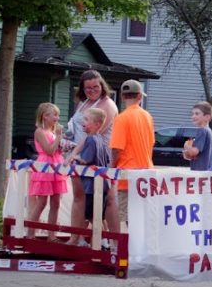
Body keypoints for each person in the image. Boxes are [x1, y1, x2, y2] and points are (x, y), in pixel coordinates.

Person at [65, 71, 119, 236]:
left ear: (102, 85)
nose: (92, 90)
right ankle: (78, 238)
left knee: (104, 201)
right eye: (87, 88)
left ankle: (113, 241)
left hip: (98, 158)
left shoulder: (107, 105)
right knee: (79, 198)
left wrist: (73, 153)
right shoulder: (83, 102)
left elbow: (94, 134)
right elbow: (75, 129)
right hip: (80, 157)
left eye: (96, 86)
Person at [110, 80, 155, 227]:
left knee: (129, 220)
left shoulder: (121, 118)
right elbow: (151, 144)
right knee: (143, 218)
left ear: (122, 97)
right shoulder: (148, 117)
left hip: (127, 175)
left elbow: (116, 148)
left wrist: (111, 167)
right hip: (146, 173)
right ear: (140, 97)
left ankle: (132, 250)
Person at [72, 107, 118, 239]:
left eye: (86, 119)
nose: (83, 121)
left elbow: (86, 160)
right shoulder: (101, 140)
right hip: (102, 185)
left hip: (90, 186)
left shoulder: (90, 140)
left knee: (88, 215)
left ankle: (80, 240)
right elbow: (107, 160)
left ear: (97, 124)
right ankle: (105, 241)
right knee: (97, 215)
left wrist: (75, 158)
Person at [27, 102, 69, 239]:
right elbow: (49, 150)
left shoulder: (52, 132)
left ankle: (52, 234)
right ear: (45, 116)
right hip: (45, 166)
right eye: (55, 115)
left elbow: (56, 149)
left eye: (58, 115)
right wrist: (58, 137)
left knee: (56, 202)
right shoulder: (39, 132)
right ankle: (30, 233)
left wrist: (62, 144)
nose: (57, 118)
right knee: (42, 202)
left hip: (57, 165)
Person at [182, 102, 212, 171]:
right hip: (209, 171)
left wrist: (186, 146)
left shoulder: (202, 130)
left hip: (201, 173)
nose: (193, 116)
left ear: (207, 117)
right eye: (192, 114)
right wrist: (188, 153)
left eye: (197, 114)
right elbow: (194, 155)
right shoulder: (208, 131)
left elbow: (194, 152)